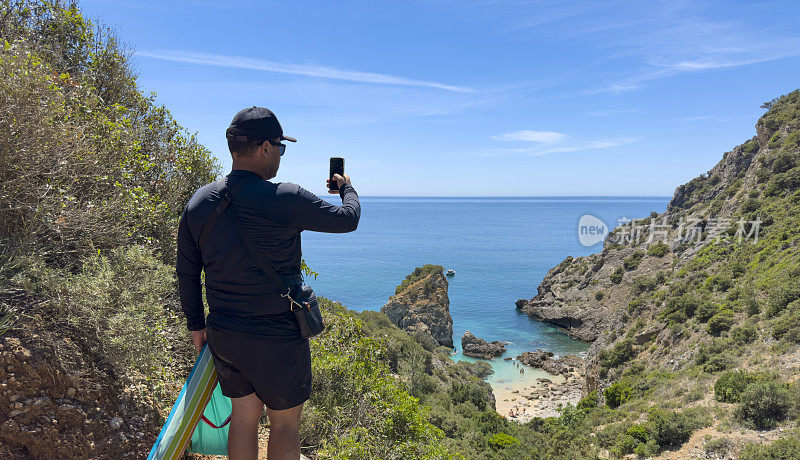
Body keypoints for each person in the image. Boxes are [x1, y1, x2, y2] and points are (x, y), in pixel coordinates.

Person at [176, 107, 360, 459]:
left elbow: (187, 272)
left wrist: (196, 325)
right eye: (280, 147)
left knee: (244, 418)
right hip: (276, 336)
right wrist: (346, 186)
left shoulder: (199, 202)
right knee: (285, 425)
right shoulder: (285, 198)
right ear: (264, 148)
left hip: (226, 335)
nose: (280, 155)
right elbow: (348, 219)